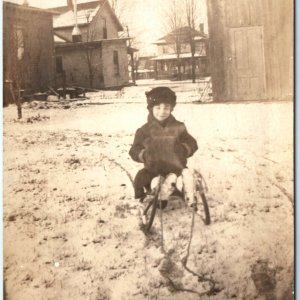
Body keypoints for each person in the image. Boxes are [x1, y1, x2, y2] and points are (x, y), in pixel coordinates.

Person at [129, 86, 198, 208]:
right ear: (151, 109)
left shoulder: (179, 127)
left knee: (185, 175)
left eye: (166, 107)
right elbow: (134, 150)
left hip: (176, 167)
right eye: (158, 108)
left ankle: (185, 192)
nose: (162, 112)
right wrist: (145, 154)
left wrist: (184, 149)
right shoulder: (144, 130)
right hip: (154, 168)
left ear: (171, 109)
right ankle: (148, 196)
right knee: (140, 180)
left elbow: (192, 142)